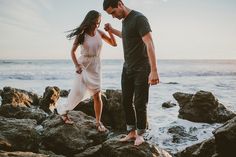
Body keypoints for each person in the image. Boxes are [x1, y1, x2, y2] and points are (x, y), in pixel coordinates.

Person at [103, 0, 160, 145]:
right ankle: (131, 132)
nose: (113, 16)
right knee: (126, 101)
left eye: (113, 12)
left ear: (120, 4)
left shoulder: (139, 18)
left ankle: (141, 134)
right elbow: (126, 35)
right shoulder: (125, 21)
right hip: (127, 67)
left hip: (142, 67)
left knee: (140, 102)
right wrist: (111, 31)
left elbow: (149, 43)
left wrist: (154, 70)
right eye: (110, 15)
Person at [56, 10, 117, 132]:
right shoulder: (81, 35)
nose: (96, 25)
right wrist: (77, 66)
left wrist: (110, 31)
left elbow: (114, 44)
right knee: (77, 92)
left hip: (96, 66)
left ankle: (98, 122)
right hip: (83, 66)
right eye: (94, 23)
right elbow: (72, 52)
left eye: (98, 23)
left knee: (97, 95)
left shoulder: (99, 33)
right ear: (89, 21)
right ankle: (63, 112)